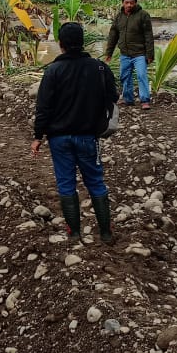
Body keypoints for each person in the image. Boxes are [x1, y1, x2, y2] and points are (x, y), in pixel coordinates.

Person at [32, 21, 118, 242]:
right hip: (88, 137)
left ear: (61, 44)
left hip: (59, 139)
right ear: (82, 42)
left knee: (66, 184)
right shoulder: (99, 68)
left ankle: (74, 233)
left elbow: (43, 107)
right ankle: (106, 234)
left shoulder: (53, 71)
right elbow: (113, 97)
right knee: (96, 183)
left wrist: (37, 137)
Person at [104, 0, 154, 109]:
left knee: (142, 75)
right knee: (124, 76)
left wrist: (150, 54)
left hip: (139, 54)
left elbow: (149, 36)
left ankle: (145, 100)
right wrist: (109, 53)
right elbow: (113, 35)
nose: (129, 5)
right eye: (126, 2)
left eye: (131, 3)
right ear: (122, 3)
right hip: (125, 54)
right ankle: (128, 99)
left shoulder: (143, 15)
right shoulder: (119, 17)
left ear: (135, 3)